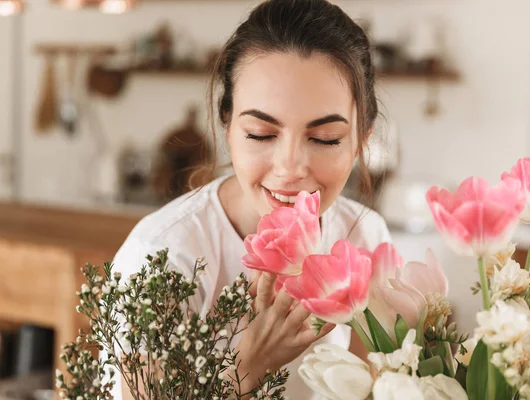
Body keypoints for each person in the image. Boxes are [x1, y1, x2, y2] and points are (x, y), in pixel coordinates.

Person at [110, 0, 391, 398]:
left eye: (325, 139)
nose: (290, 168)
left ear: (362, 140)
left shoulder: (363, 236)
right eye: (261, 133)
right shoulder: (165, 254)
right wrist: (250, 366)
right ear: (227, 127)